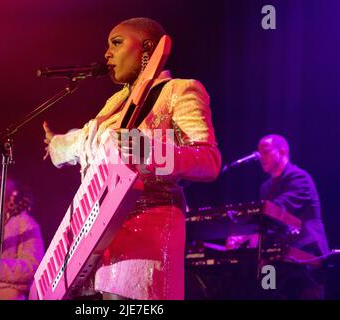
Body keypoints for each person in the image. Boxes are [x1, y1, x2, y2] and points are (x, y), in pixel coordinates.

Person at [41, 17, 221, 300]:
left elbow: (208, 160)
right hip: (97, 235)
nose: (107, 54)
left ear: (147, 48)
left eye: (116, 43)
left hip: (148, 225)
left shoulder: (180, 90)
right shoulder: (113, 104)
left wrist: (151, 152)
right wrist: (57, 144)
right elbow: (86, 141)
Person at [258, 134, 330, 299]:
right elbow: (265, 223)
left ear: (282, 152)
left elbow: (278, 209)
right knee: (267, 293)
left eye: (266, 152)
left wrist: (251, 220)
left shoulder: (299, 178)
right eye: (259, 153)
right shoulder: (265, 187)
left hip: (306, 257)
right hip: (277, 259)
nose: (261, 157)